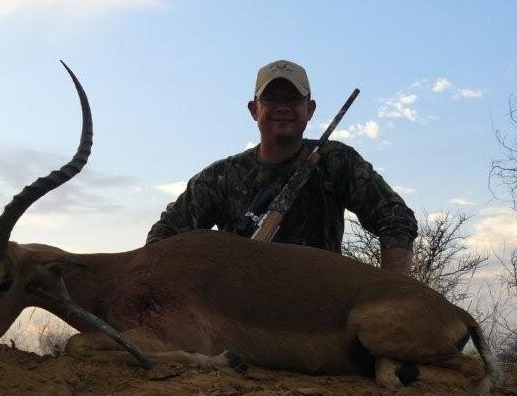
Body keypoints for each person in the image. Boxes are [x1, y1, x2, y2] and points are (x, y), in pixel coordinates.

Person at [146, 59, 417, 275]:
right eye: (273, 100)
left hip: (320, 309)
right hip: (236, 311)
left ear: (310, 109)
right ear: (254, 109)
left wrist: (392, 291)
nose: (283, 108)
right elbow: (162, 238)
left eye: (293, 99)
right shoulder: (219, 178)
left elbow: (396, 218)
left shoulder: (336, 160)